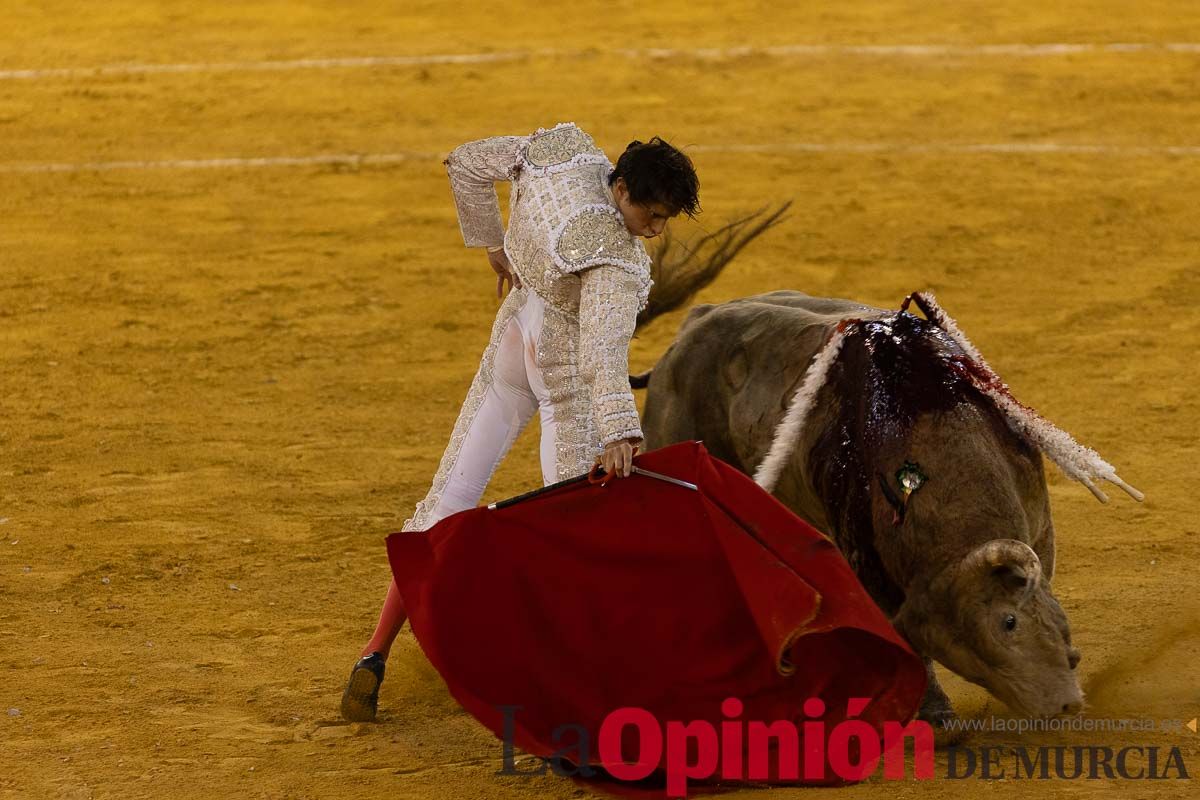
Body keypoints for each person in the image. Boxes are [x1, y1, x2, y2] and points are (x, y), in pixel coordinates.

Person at [341, 122, 701, 722]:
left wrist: (494, 245)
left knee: (447, 499)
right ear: (620, 190)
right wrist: (618, 429)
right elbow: (599, 356)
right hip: (561, 372)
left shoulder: (562, 151)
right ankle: (566, 695)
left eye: (666, 219)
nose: (656, 229)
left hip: (514, 336)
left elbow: (464, 163)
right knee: (572, 533)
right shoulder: (615, 264)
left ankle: (373, 655)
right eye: (652, 213)